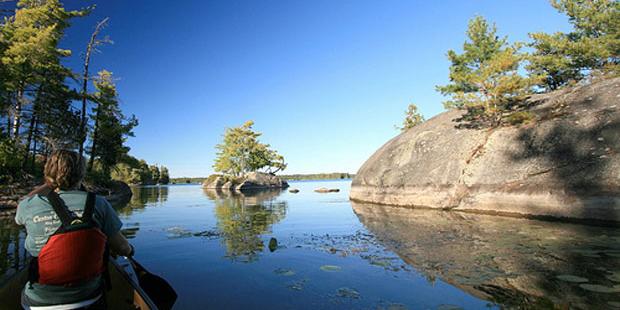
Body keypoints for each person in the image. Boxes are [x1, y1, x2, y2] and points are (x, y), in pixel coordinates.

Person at [15, 149, 133, 309]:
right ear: (81, 174)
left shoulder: (29, 205)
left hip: (40, 303)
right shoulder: (99, 203)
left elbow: (25, 202)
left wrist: (49, 183)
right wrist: (129, 251)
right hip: (89, 298)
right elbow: (123, 248)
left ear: (47, 173)